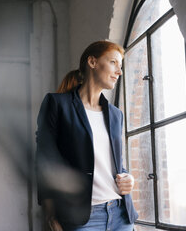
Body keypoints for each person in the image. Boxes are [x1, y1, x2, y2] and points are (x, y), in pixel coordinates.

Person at [35, 41, 138, 230]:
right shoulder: (57, 105)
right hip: (82, 219)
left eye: (121, 66)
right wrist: (50, 215)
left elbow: (113, 162)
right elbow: (45, 162)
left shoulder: (116, 114)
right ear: (92, 62)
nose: (119, 71)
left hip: (120, 214)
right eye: (114, 63)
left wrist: (127, 178)